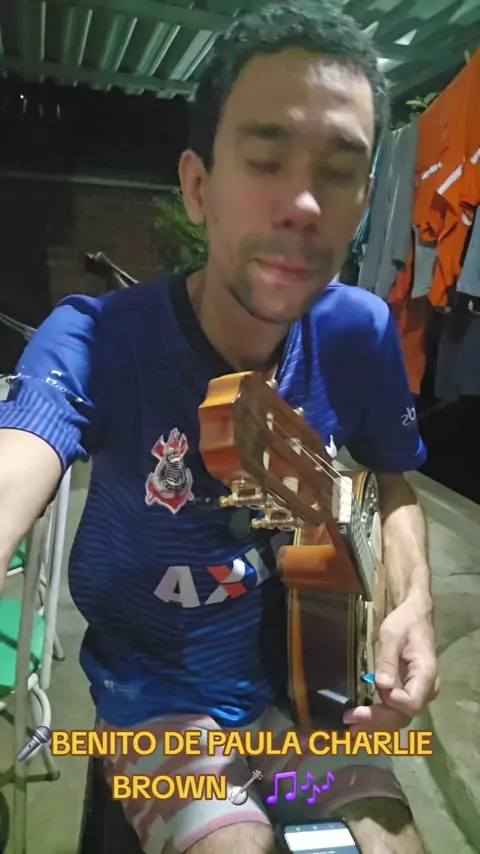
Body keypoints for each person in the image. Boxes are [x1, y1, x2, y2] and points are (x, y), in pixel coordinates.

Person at [0, 3, 438, 852]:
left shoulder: (359, 334)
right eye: (266, 161)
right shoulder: (99, 339)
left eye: (339, 172)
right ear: (198, 187)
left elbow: (393, 480)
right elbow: (18, 459)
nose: (303, 203)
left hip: (306, 700)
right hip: (155, 707)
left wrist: (413, 600)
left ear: (364, 203)